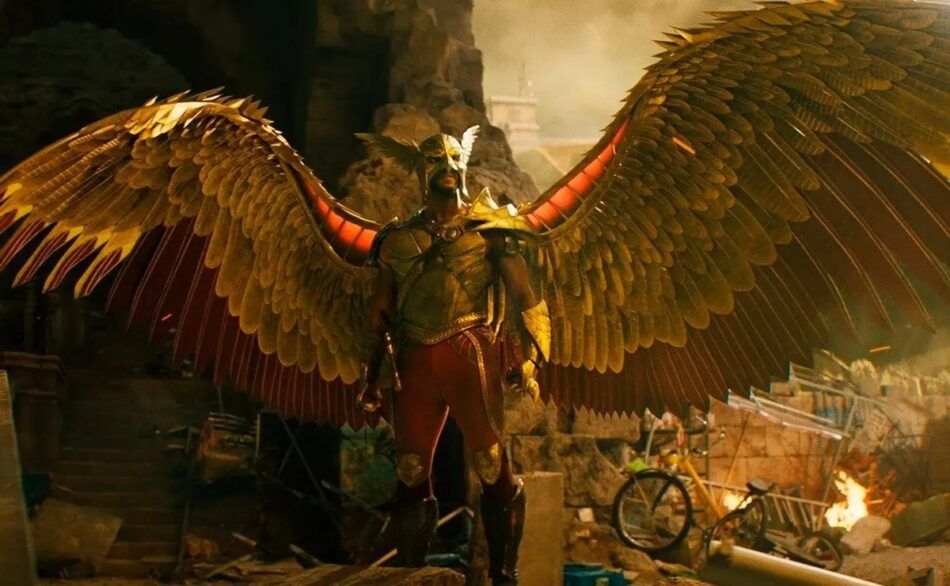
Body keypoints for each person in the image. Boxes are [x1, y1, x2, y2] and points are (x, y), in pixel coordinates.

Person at [359, 128, 549, 585]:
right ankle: (412, 577)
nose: (446, 166)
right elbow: (380, 315)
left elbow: (526, 296)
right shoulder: (396, 240)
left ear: (463, 163)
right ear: (420, 168)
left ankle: (504, 576)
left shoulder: (492, 230)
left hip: (472, 355)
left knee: (490, 463)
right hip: (414, 362)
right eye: (436, 159)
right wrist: (371, 376)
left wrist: (529, 356)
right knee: (409, 471)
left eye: (453, 157)